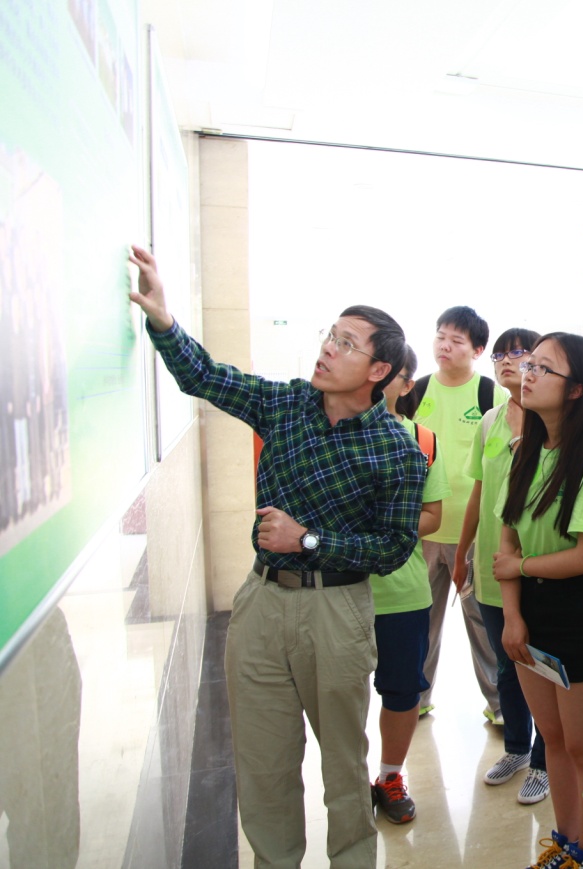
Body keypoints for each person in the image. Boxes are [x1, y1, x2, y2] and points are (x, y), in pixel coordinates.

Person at [127, 245, 425, 868]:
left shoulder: (396, 449)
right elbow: (206, 378)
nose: (327, 349)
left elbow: (395, 547)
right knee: (263, 766)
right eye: (330, 336)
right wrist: (163, 319)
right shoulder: (286, 404)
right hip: (261, 603)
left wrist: (308, 539)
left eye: (346, 344)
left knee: (343, 766)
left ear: (379, 370)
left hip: (337, 614)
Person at [492, 333, 583, 869]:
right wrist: (513, 616)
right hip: (531, 609)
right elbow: (507, 542)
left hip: (580, 613)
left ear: (577, 390)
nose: (528, 374)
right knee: (552, 738)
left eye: (543, 368)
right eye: (530, 364)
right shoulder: (524, 451)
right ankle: (567, 843)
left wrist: (520, 570)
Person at [454, 326, 552, 806]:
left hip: (538, 567)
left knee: (542, 666)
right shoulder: (490, 420)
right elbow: (478, 491)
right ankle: (516, 748)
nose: (507, 361)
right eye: (500, 355)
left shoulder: (552, 421)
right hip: (493, 566)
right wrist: (462, 554)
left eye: (519, 353)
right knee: (506, 665)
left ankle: (544, 762)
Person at [368, 346, 451, 824]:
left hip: (402, 593)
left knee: (402, 692)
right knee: (338, 695)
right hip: (337, 591)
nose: (378, 383)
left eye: (390, 375)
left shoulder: (422, 440)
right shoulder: (331, 431)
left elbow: (433, 515)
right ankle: (346, 779)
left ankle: (390, 776)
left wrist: (378, 532)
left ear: (406, 385)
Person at [410, 306, 506, 722]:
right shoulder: (415, 391)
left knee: (484, 624)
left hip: (475, 532)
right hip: (423, 530)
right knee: (419, 621)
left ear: (477, 350)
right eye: (440, 336)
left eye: (456, 340)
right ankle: (415, 699)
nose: (444, 346)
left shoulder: (491, 395)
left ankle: (501, 706)